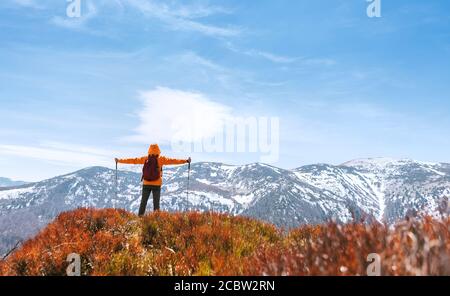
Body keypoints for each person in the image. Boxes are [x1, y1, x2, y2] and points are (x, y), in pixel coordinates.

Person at [115, 144, 191, 216]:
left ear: (149, 150)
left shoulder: (145, 159)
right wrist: (186, 161)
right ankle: (156, 219)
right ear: (158, 151)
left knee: (143, 202)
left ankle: (140, 218)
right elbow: (174, 161)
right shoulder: (161, 159)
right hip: (157, 185)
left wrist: (119, 160)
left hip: (146, 184)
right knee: (156, 203)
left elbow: (133, 160)